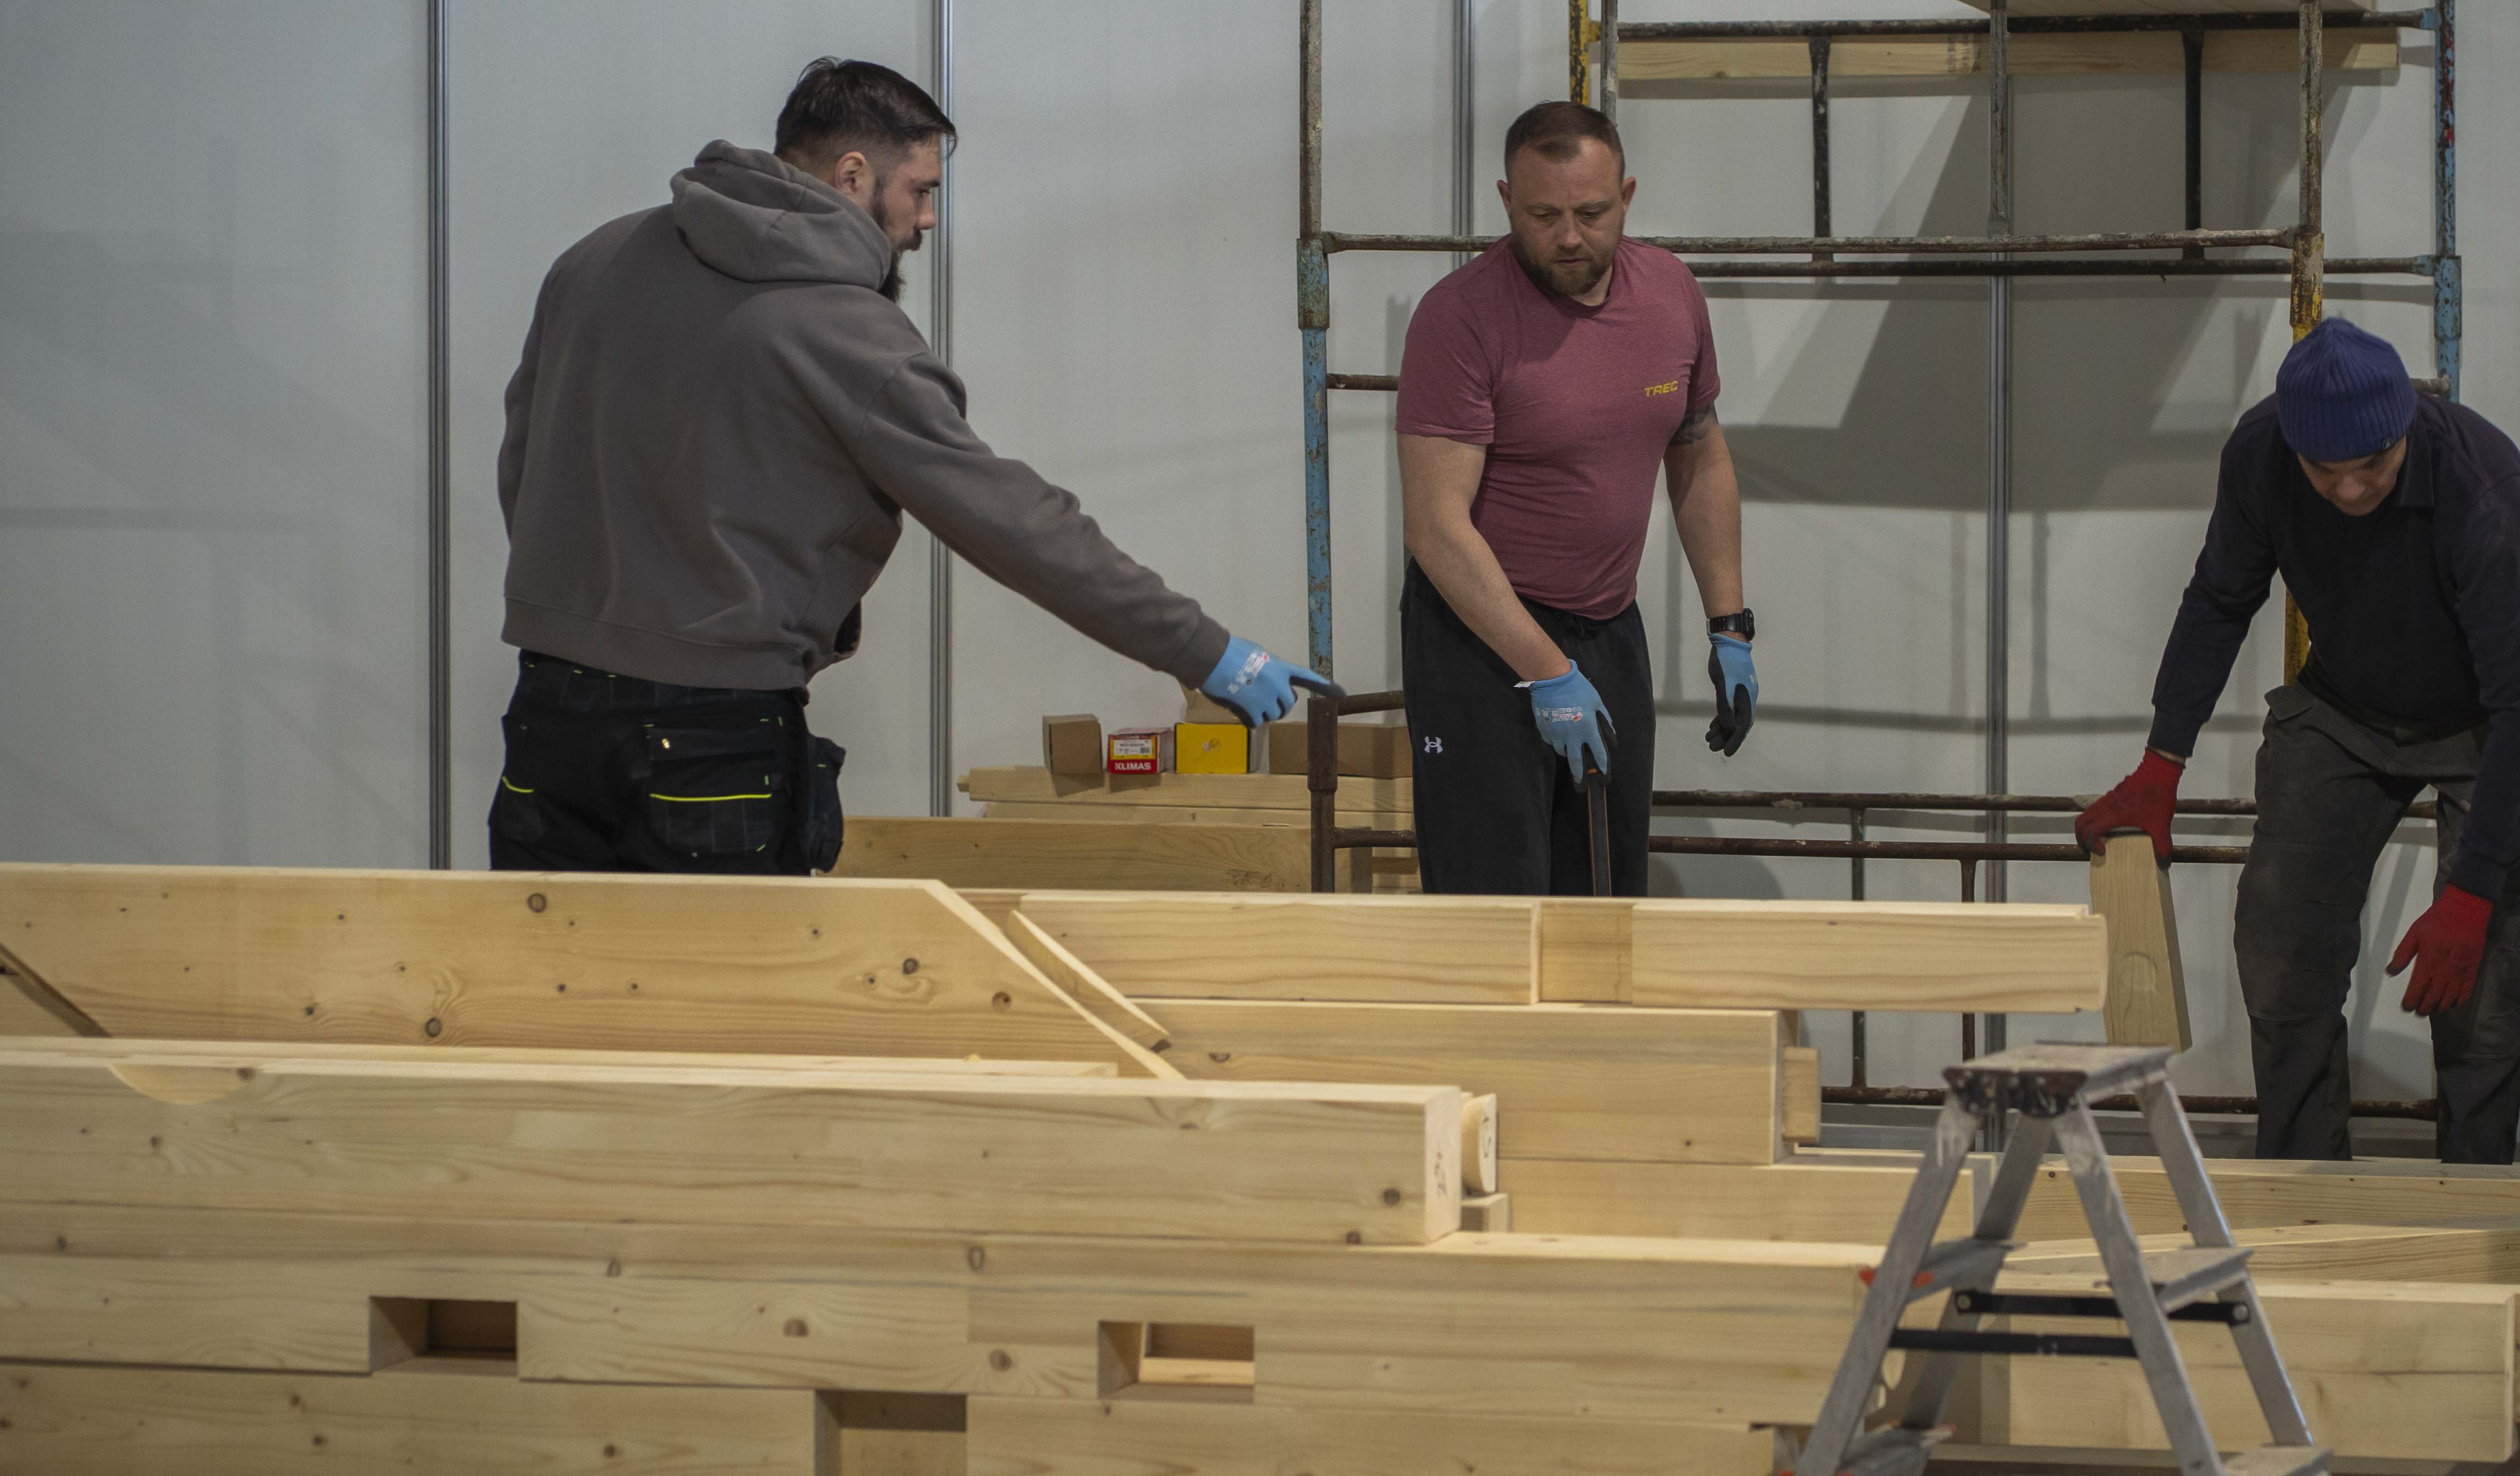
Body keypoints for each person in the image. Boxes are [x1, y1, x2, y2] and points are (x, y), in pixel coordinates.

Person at [489, 57, 1329, 875]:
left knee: (541, 964)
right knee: (727, 974)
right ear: (854, 174)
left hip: (548, 713)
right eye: (921, 190)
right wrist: (1206, 651)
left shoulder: (595, 259)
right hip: (708, 739)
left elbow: (523, 459)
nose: (928, 219)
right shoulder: (842, 329)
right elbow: (1014, 522)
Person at [2075, 318, 2520, 1164]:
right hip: (2351, 701)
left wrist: (2472, 895)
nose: (2350, 491)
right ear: (2294, 448)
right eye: (2325, 472)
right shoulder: (2260, 457)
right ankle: (2302, 1184)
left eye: (2373, 467)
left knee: (2483, 978)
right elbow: (2219, 602)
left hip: (2499, 716)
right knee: (2282, 939)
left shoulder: (2481, 486)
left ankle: (2476, 1193)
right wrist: (2162, 763)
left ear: (2404, 431)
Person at [1393, 101, 1755, 896]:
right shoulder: (1461, 318)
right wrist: (1545, 672)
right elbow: (1436, 526)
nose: (1568, 237)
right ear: (1505, 201)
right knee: (1495, 897)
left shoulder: (1670, 294)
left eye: (1591, 214)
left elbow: (1698, 453)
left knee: (1604, 888)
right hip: (1480, 637)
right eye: (1542, 215)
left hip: (1607, 625)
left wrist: (1730, 626)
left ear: (1626, 197)